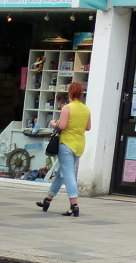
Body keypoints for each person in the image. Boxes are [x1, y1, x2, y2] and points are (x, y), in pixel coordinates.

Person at [37, 80, 91, 217]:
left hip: (66, 144)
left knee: (68, 174)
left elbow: (62, 126)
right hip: (79, 145)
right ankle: (47, 200)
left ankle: (74, 204)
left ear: (70, 93)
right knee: (61, 173)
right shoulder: (86, 109)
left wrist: (53, 123)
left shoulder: (67, 108)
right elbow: (88, 127)